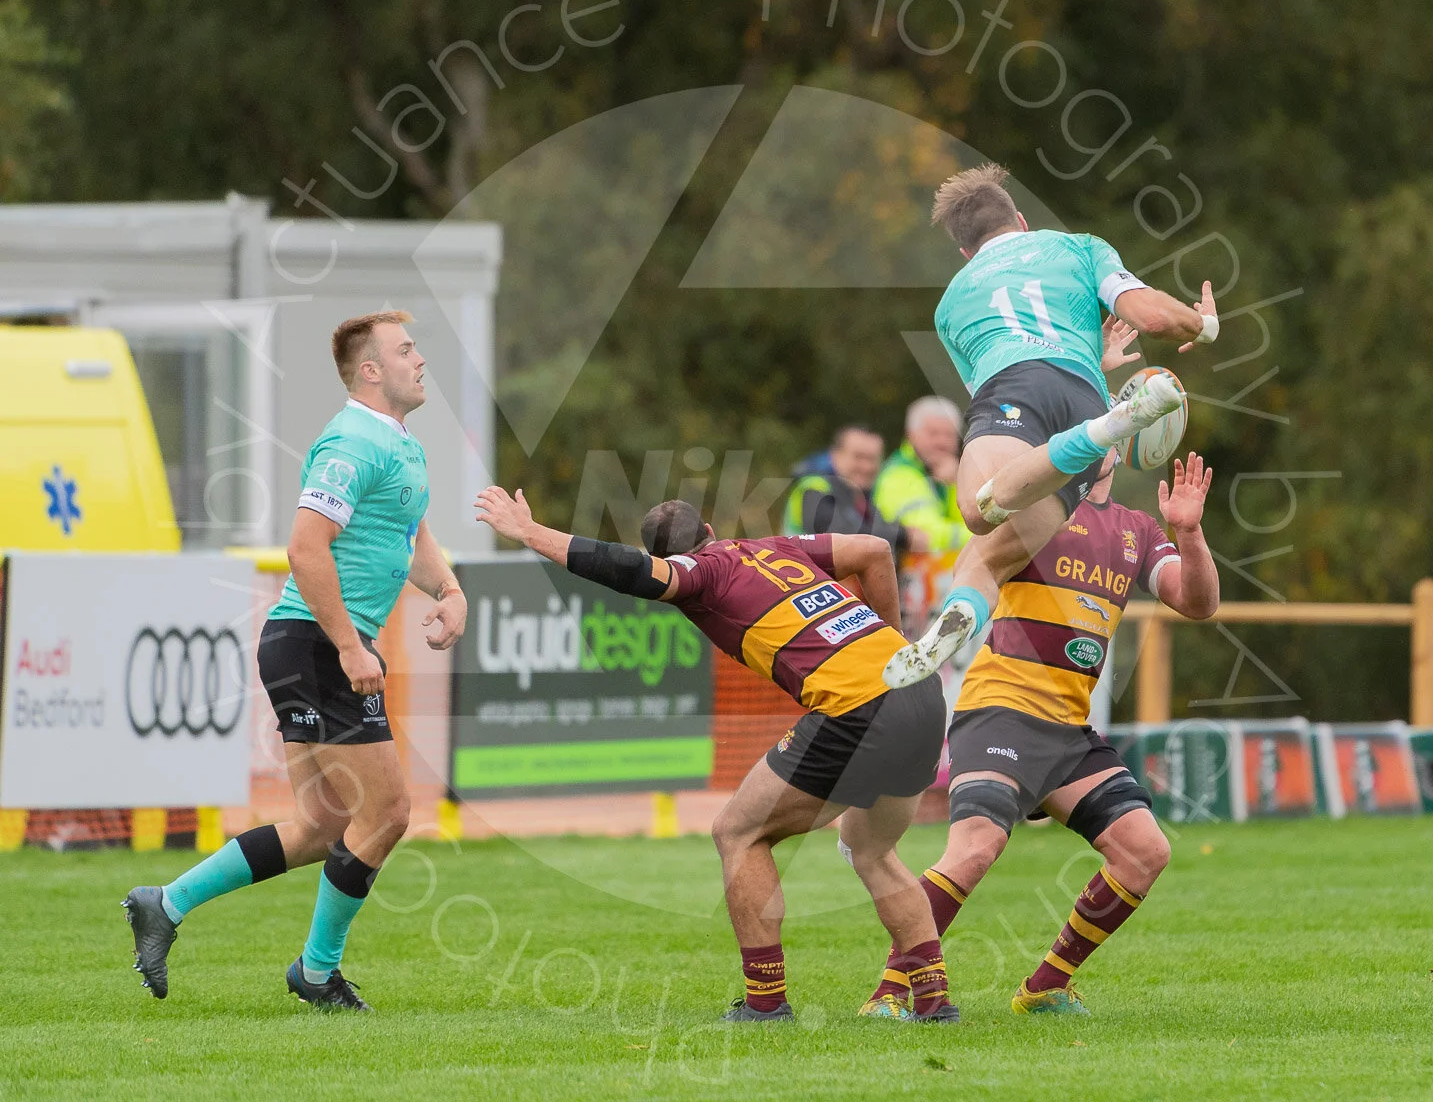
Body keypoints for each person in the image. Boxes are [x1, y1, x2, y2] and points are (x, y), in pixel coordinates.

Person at [473, 489, 957, 1024]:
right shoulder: (774, 548)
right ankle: (935, 1004)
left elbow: (634, 572)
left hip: (859, 705)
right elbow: (872, 549)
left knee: (737, 833)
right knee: (871, 852)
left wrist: (531, 532)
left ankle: (766, 1004)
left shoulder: (701, 573)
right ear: (708, 525)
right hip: (923, 692)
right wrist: (894, 642)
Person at [123, 311, 468, 1011]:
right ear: (370, 370)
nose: (420, 360)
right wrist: (349, 645)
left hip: (306, 642)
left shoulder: (399, 444)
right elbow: (306, 549)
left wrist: (452, 589)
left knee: (322, 823)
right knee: (391, 811)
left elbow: (415, 535)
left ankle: (166, 903)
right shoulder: (350, 440)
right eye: (406, 351)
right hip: (317, 642)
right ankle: (316, 972)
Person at [852, 449, 1219, 1017]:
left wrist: (1190, 533)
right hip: (999, 711)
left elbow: (1198, 603)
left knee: (1145, 851)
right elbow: (971, 564)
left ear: (1118, 445)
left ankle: (1046, 986)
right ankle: (892, 992)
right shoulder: (1034, 511)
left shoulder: (1138, 529)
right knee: (977, 847)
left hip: (1068, 732)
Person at [883, 164, 1218, 689]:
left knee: (979, 509)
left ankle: (1110, 428)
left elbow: (1012, 396)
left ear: (966, 253)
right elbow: (1151, 317)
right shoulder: (1078, 247)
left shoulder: (950, 305)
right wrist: (1203, 324)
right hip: (1084, 398)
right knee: (984, 555)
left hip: (1012, 390)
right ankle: (1108, 427)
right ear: (1020, 219)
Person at [784, 424, 928, 558]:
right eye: (858, 457)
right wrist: (903, 535)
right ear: (836, 456)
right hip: (802, 582)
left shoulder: (863, 499)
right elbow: (840, 534)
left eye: (872, 459)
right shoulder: (813, 487)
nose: (866, 467)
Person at [873, 396, 970, 558]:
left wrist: (956, 483)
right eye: (933, 434)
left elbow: (969, 519)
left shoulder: (943, 472)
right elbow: (928, 537)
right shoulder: (899, 474)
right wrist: (990, 539)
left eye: (949, 435)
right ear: (911, 435)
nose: (942, 442)